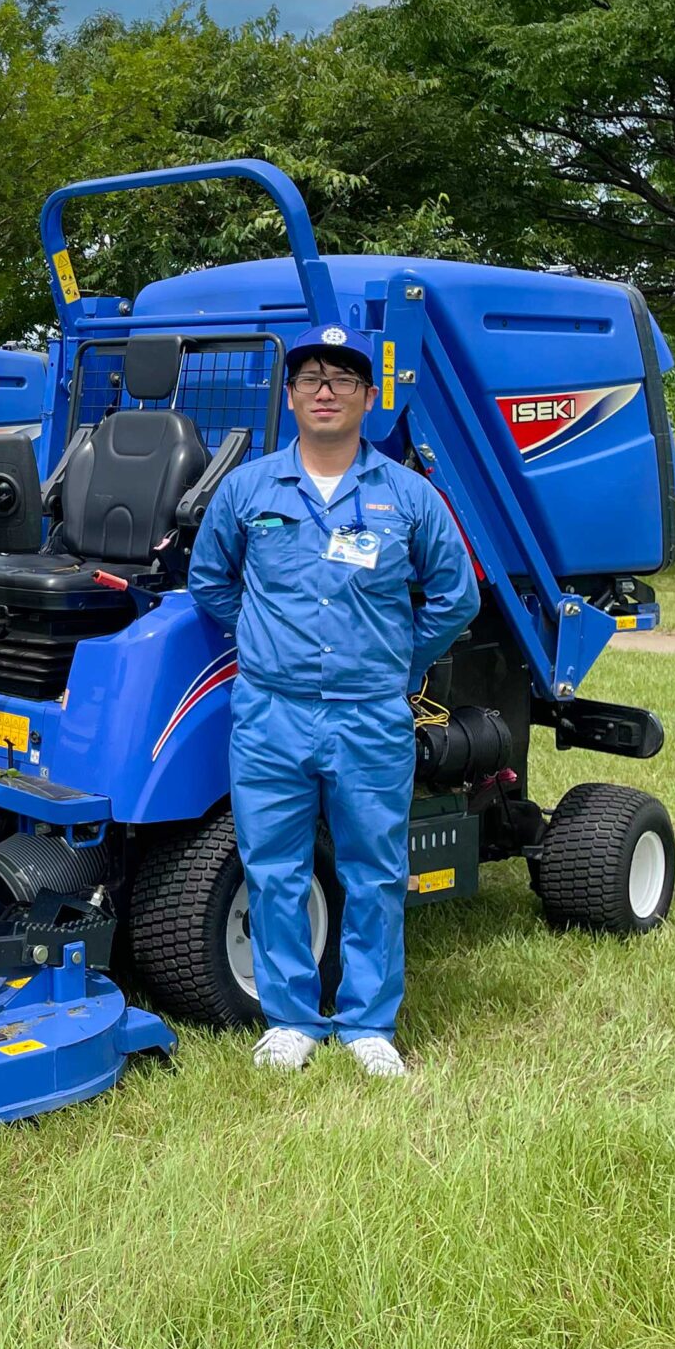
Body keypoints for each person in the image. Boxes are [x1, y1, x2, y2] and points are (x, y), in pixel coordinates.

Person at [187, 323, 478, 1078]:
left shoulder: (409, 497)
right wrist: (261, 640)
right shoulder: (249, 488)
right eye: (310, 376)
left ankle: (368, 1024)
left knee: (374, 870)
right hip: (269, 714)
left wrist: (397, 662)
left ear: (369, 398)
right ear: (289, 397)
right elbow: (210, 582)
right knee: (274, 868)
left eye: (342, 378)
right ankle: (290, 1020)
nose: (325, 389)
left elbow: (456, 595)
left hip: (369, 714)